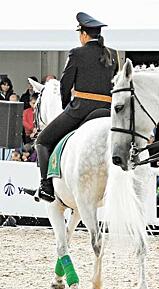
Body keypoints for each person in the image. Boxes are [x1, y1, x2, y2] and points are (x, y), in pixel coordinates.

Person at [35, 12, 119, 202]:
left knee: (42, 141)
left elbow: (65, 84)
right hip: (107, 111)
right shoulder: (113, 54)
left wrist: (67, 106)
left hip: (81, 109)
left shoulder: (76, 53)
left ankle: (46, 186)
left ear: (83, 34)